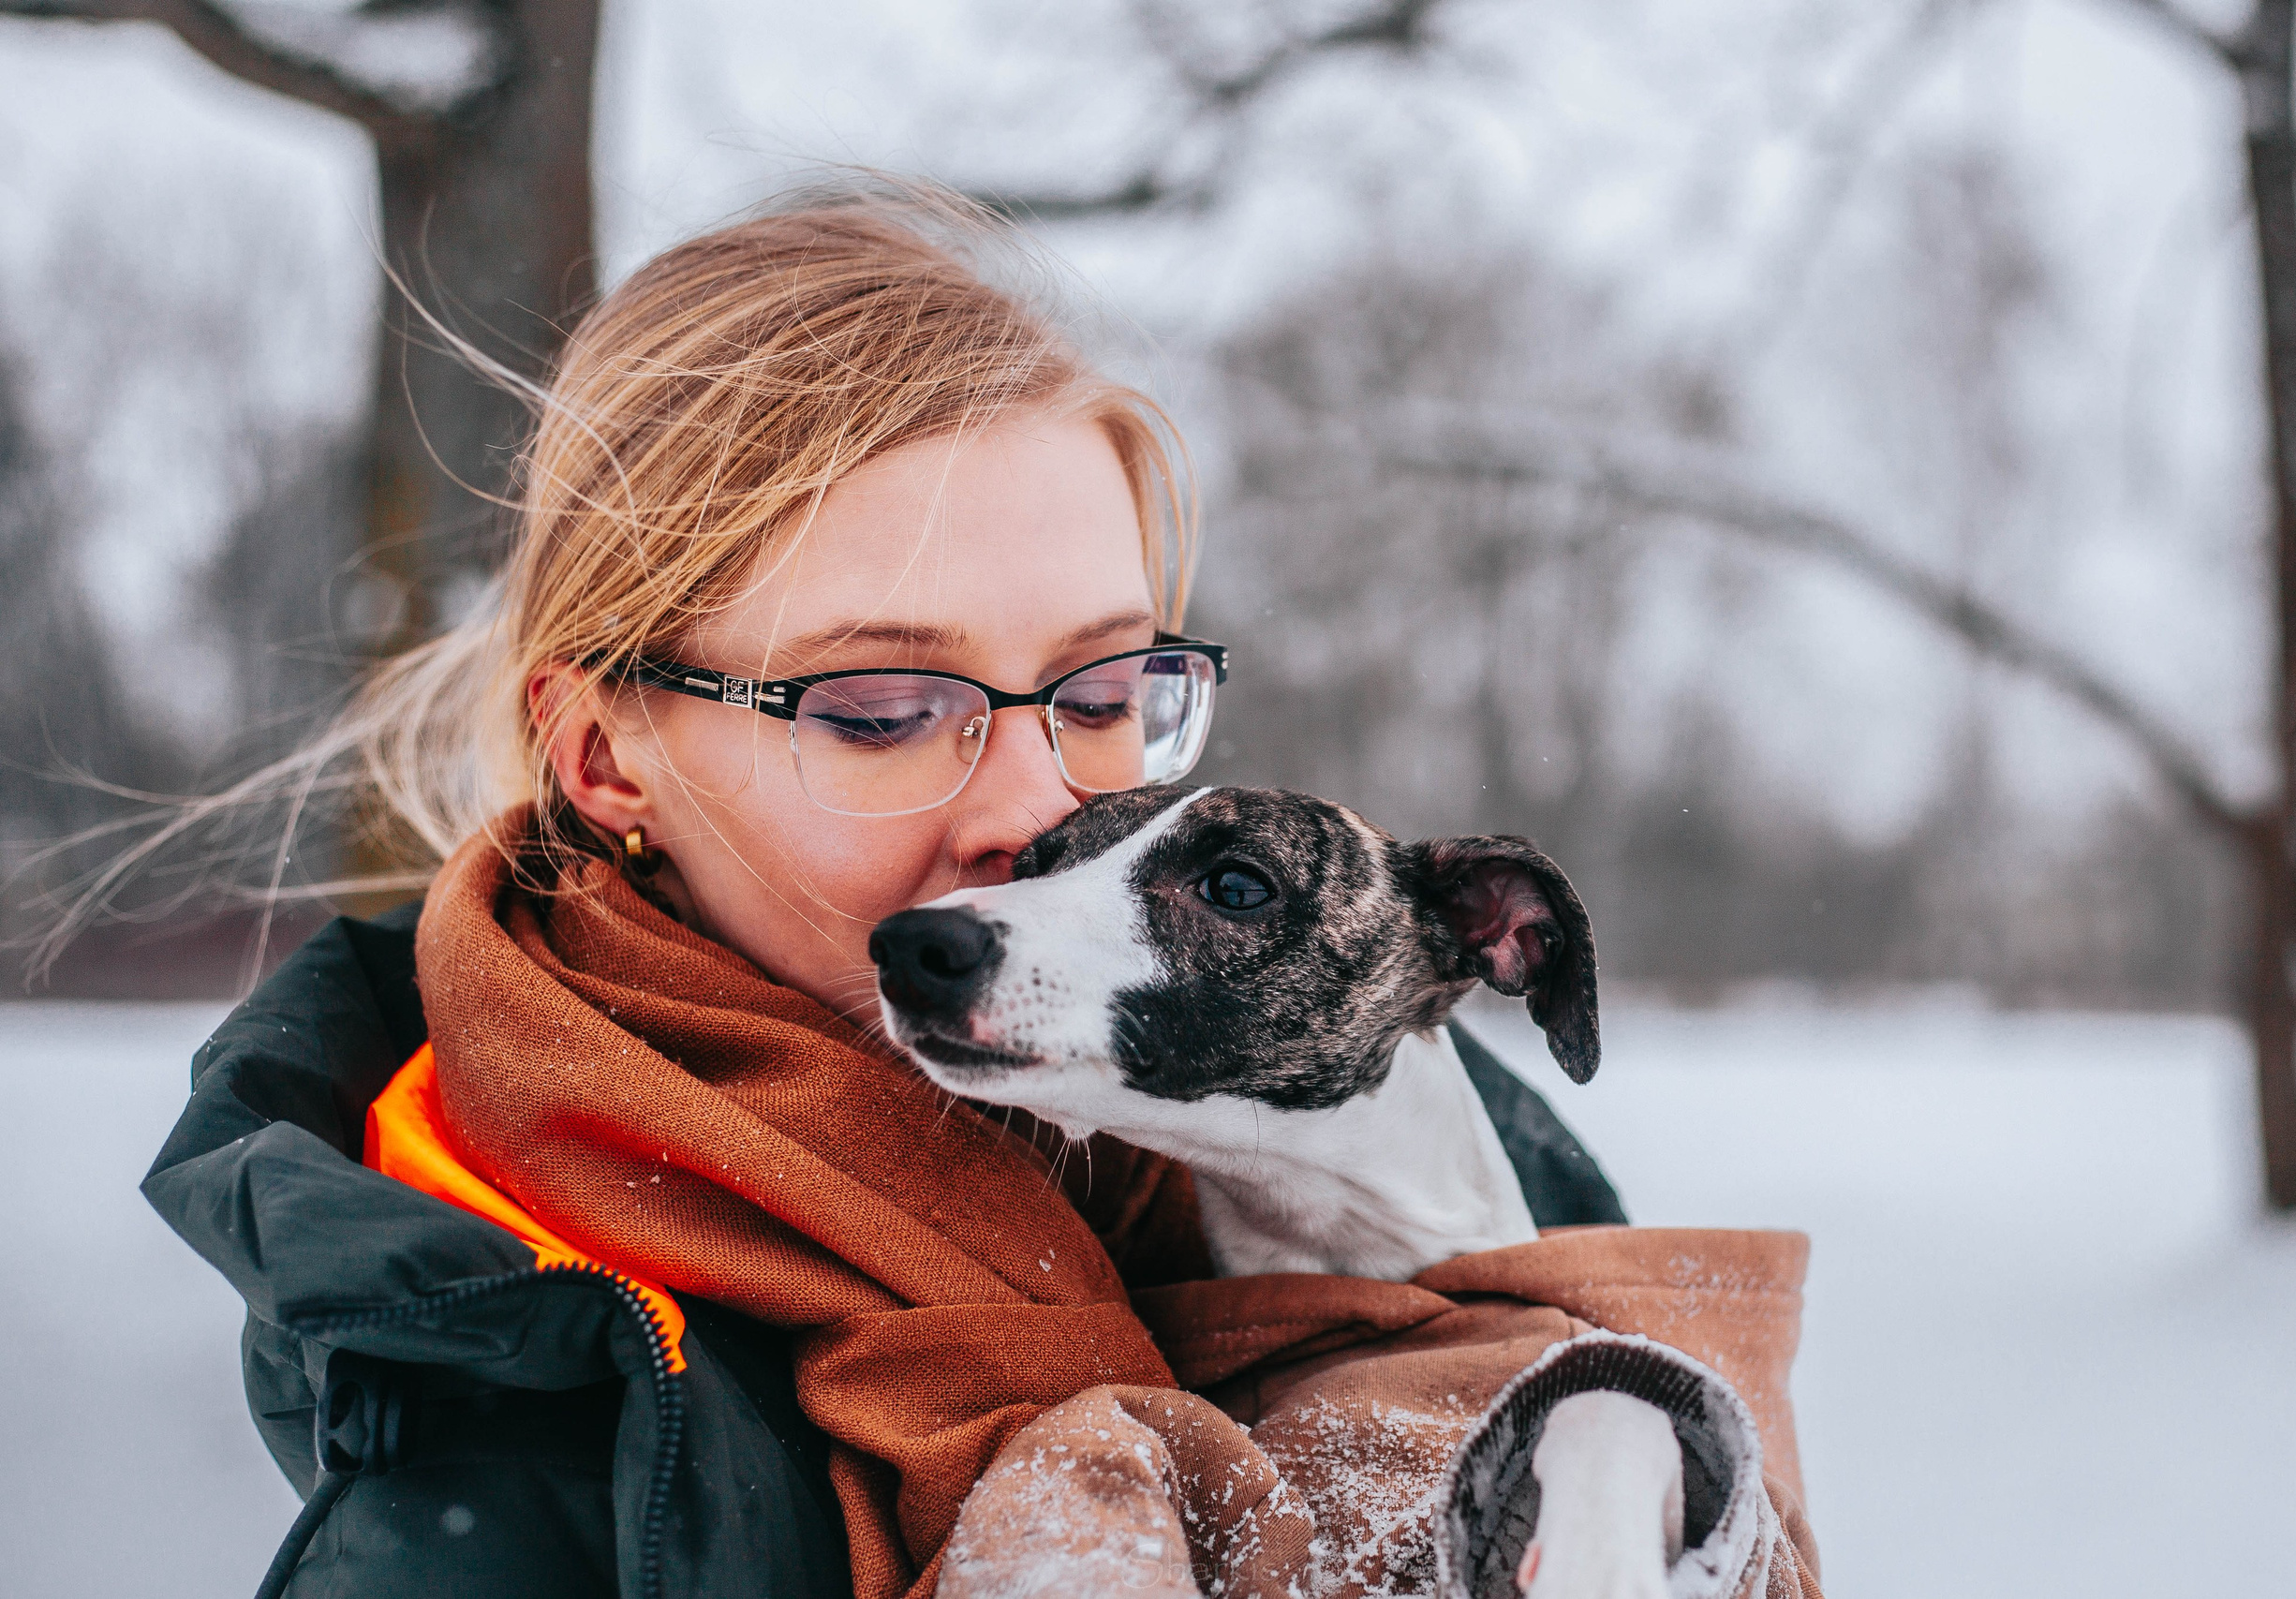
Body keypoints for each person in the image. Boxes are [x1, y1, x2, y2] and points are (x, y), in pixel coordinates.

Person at [140, 194, 1628, 1599]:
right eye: (883, 710)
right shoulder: (502, 1453)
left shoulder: (1391, 1117)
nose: (1044, 811)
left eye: (1103, 693)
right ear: (602, 759)